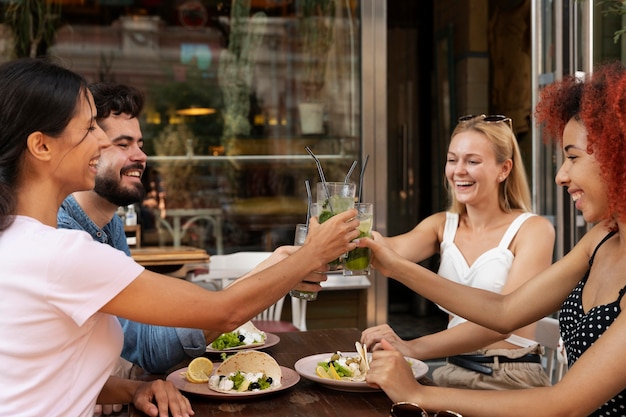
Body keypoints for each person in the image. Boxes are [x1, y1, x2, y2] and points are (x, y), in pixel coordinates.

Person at [0, 58, 359, 417]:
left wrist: (133, 390)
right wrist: (310, 255)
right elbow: (224, 312)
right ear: (41, 146)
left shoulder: (22, 238)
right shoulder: (61, 254)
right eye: (90, 128)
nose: (100, 141)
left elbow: (43, 372)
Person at [359, 62, 626, 416]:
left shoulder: (538, 230)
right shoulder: (601, 240)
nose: (562, 175)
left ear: (617, 155)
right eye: (453, 160)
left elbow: (565, 405)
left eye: (572, 157)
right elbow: (504, 312)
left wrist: (419, 393)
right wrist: (388, 263)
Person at [361, 114, 555, 389]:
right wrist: (340, 235)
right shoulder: (441, 225)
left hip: (510, 377)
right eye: (452, 160)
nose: (458, 170)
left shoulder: (533, 230)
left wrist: (412, 348)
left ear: (504, 169)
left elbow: (501, 322)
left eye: (472, 161)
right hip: (452, 372)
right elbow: (387, 249)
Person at [57, 82, 222, 375]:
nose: (140, 156)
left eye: (140, 144)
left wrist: (117, 376)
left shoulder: (111, 225)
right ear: (87, 151)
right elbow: (147, 348)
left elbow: (132, 336)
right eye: (123, 144)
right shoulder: (64, 234)